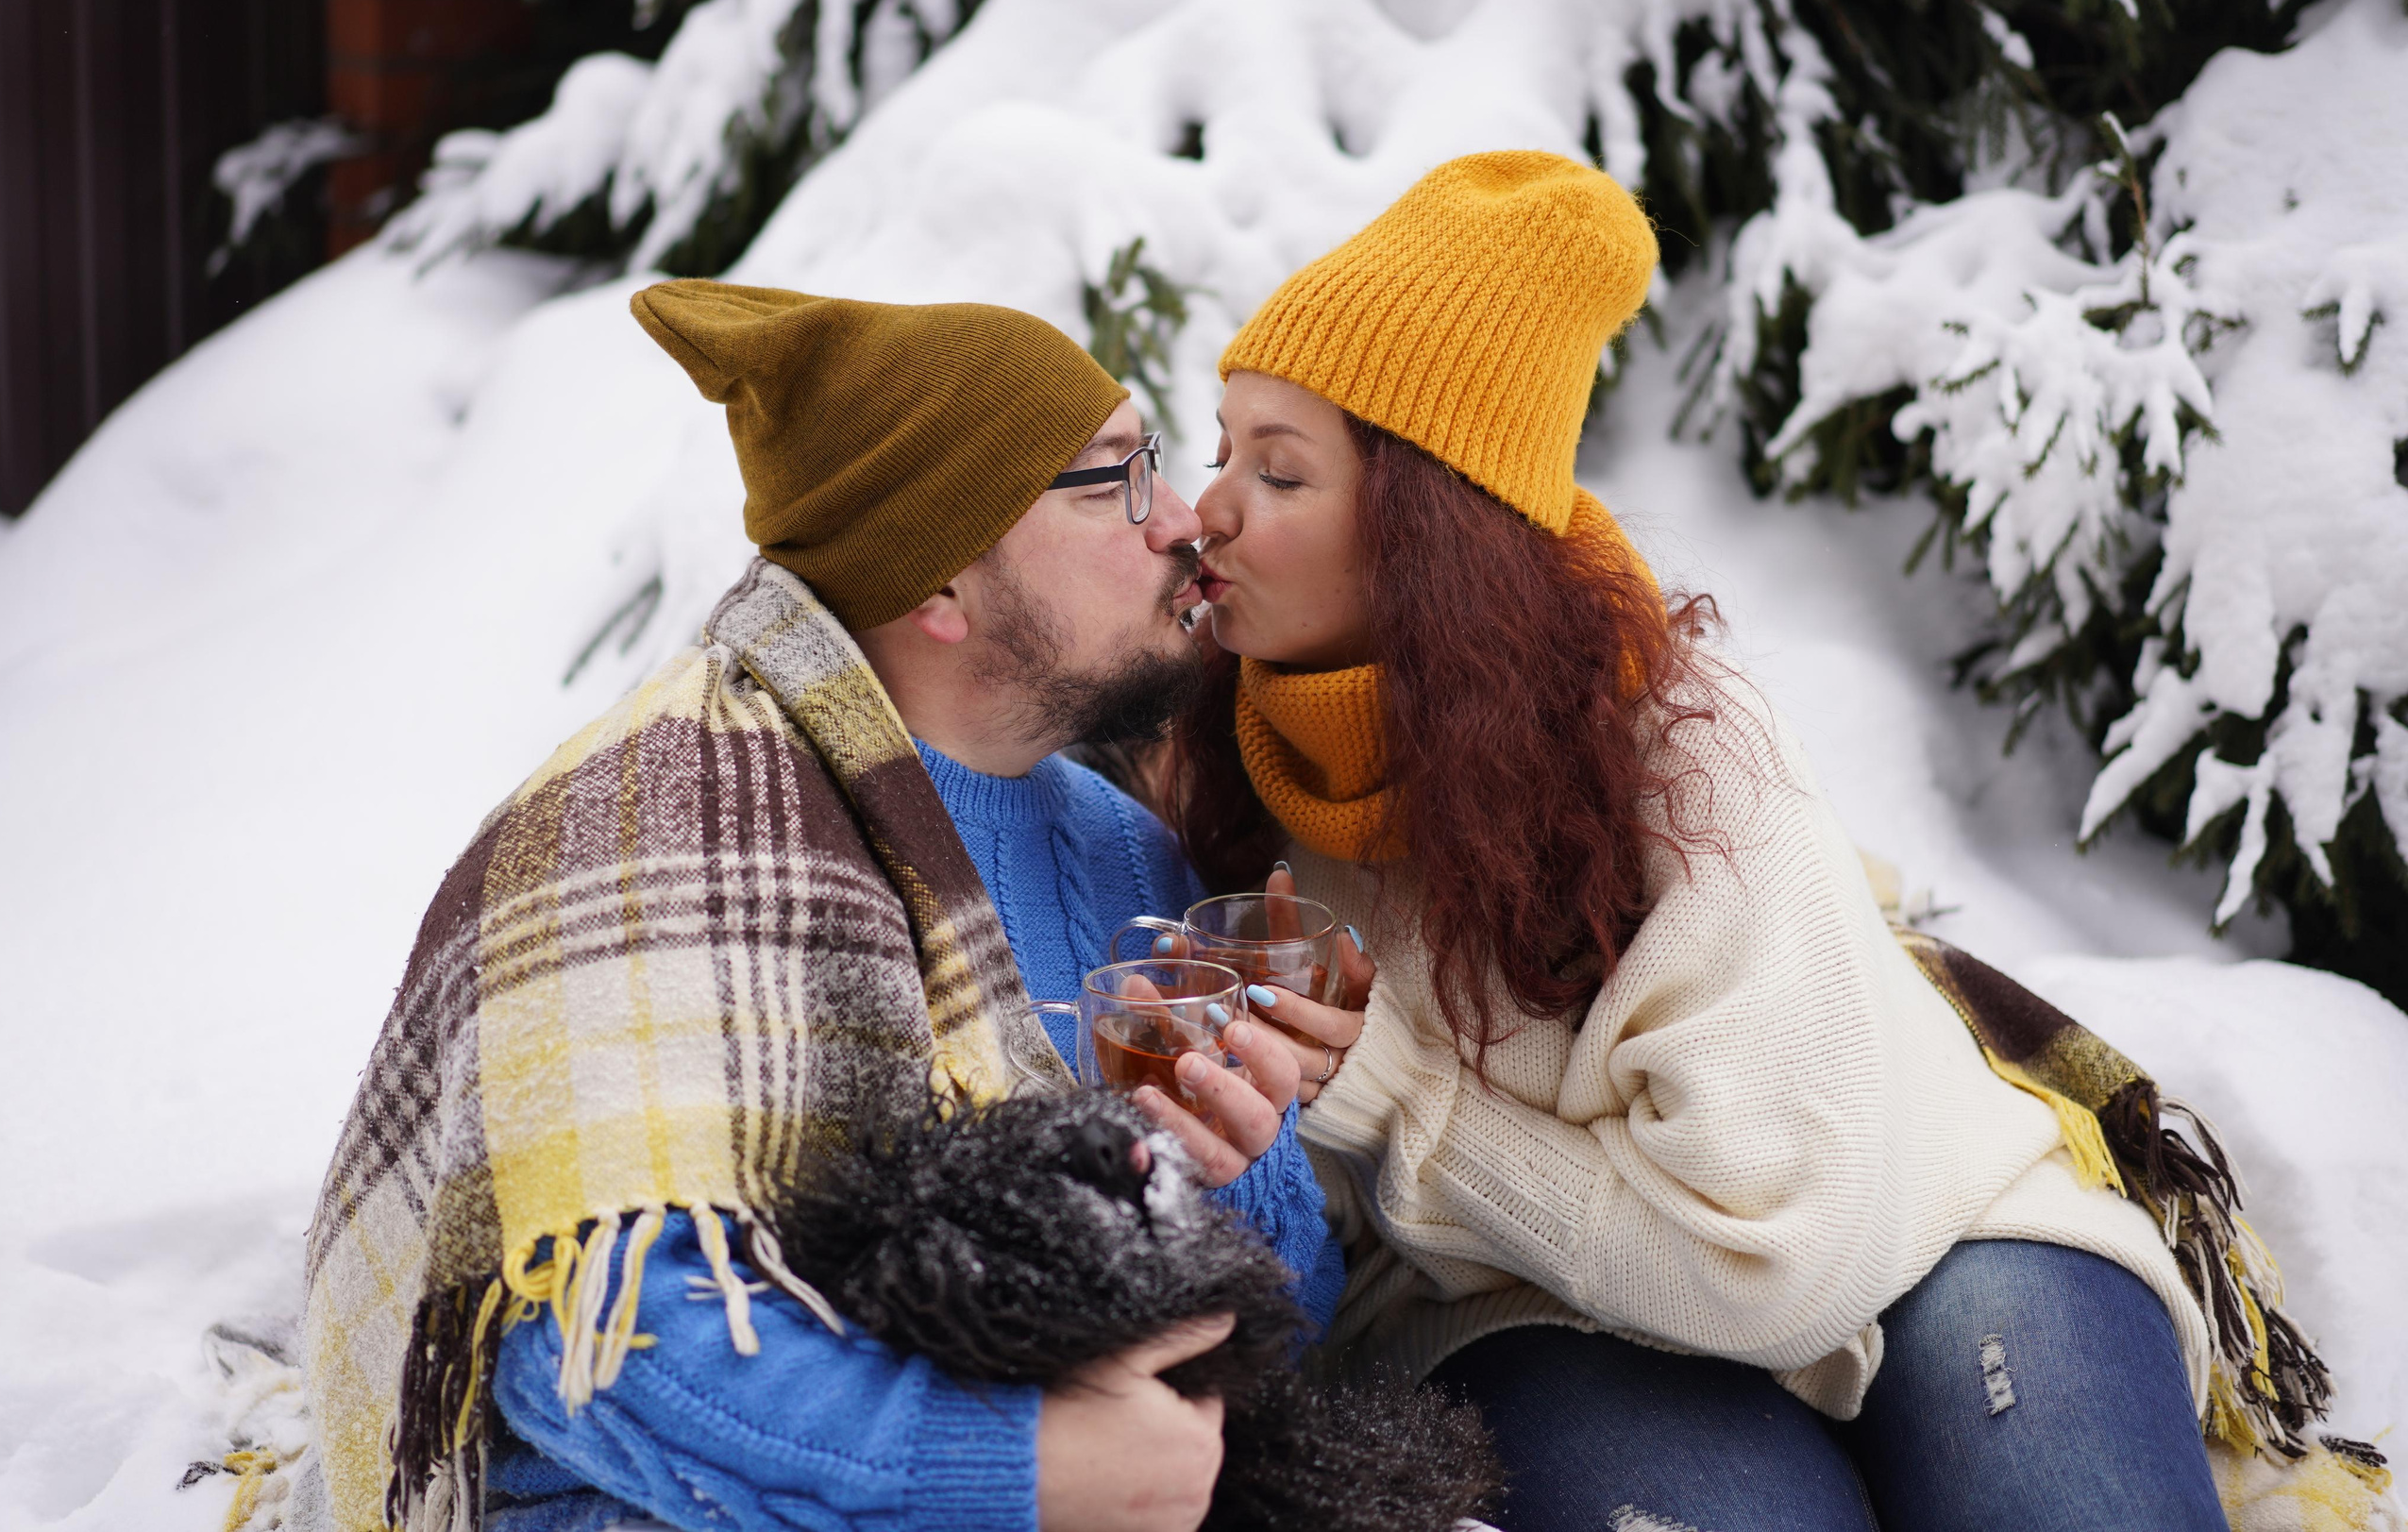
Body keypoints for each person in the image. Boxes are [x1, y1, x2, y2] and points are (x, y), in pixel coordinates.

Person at [1160, 153, 2239, 1532]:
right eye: (1221, 450)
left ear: (1430, 533)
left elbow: (1770, 1260)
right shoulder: (1212, 754)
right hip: (1523, 1302)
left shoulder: (1676, 751)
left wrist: (1387, 1095)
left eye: (1279, 471)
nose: (1208, 510)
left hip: (1924, 1222)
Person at [302, 282, 1342, 1532]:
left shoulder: (1124, 855)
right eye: (1112, 480)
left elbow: (1293, 1337)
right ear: (941, 587)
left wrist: (1238, 1168)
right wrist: (998, 1467)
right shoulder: (663, 824)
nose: (1181, 520)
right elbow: (588, 1333)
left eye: (1156, 462)